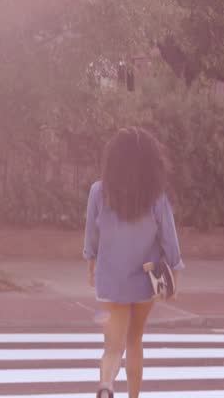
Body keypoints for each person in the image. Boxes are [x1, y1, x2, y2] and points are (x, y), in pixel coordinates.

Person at [82, 126, 185, 398]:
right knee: (135, 339)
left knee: (112, 346)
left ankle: (106, 383)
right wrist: (175, 275)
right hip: (143, 281)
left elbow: (91, 234)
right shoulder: (156, 197)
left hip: (110, 280)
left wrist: (90, 263)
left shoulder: (98, 192)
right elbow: (169, 239)